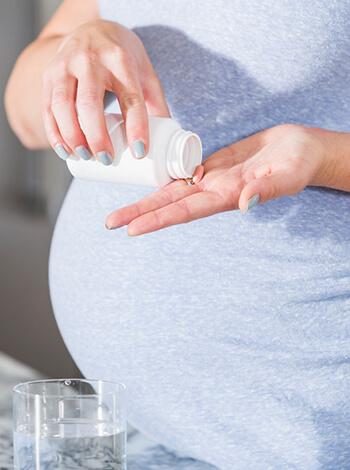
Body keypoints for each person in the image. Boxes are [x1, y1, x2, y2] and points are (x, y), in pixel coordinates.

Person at [5, 0, 350, 468]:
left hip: (307, 431)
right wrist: (74, 48)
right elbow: (25, 120)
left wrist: (326, 155)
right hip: (138, 427)